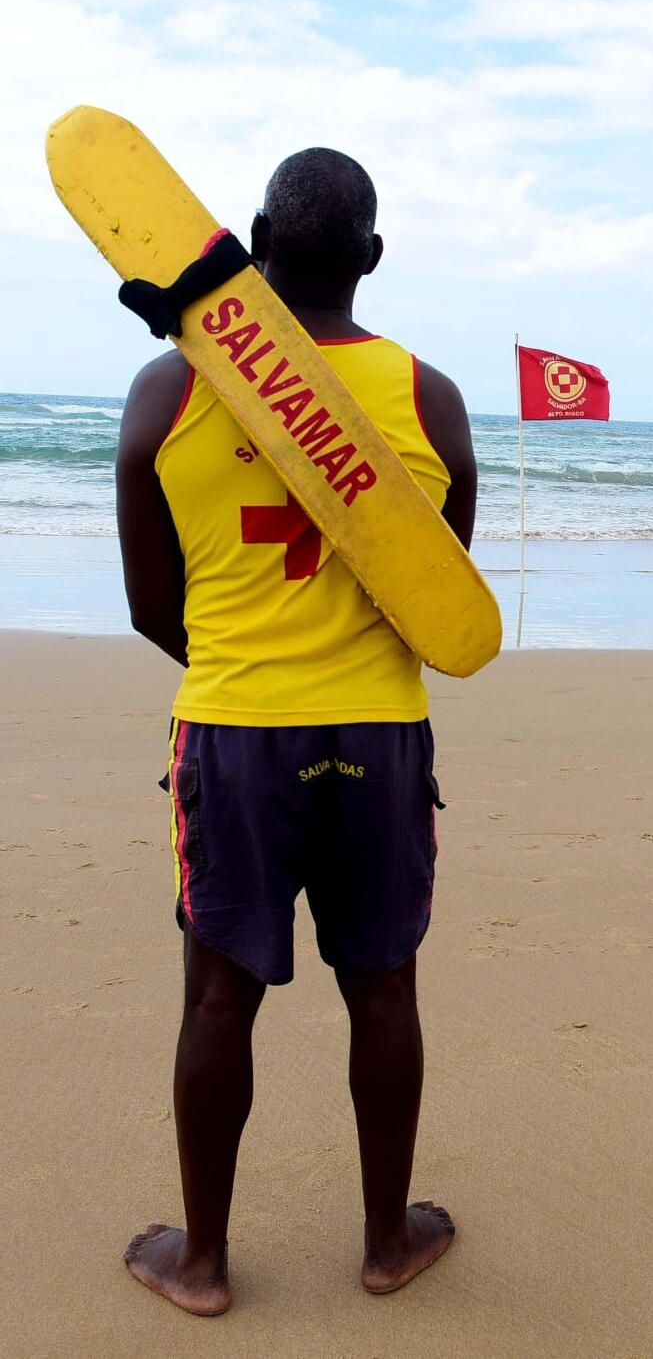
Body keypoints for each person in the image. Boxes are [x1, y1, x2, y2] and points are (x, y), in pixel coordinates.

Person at [115, 149, 475, 1311]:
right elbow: (438, 591)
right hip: (378, 737)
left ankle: (206, 1261)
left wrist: (245, 664)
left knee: (218, 996)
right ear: (371, 258)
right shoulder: (427, 396)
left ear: (256, 235)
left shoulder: (169, 389)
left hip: (235, 735)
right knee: (384, 989)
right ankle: (386, 1242)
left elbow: (147, 604)